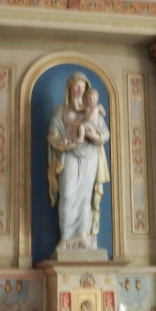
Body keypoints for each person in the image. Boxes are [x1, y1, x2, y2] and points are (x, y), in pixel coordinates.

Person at [47, 72, 110, 250]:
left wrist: (95, 136)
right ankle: (67, 239)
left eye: (83, 87)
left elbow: (105, 134)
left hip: (90, 156)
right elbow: (52, 134)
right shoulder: (61, 111)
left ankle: (83, 238)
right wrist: (60, 143)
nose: (80, 90)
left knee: (85, 198)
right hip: (70, 154)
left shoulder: (94, 108)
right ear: (69, 89)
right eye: (76, 86)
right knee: (67, 195)